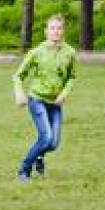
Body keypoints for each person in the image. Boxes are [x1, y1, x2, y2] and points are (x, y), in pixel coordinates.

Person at [12, 14, 78, 182]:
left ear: (63, 31)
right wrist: (19, 93)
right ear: (46, 31)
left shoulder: (70, 53)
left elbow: (72, 77)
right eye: (52, 28)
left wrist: (64, 94)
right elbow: (18, 76)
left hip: (55, 103)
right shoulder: (36, 52)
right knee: (46, 137)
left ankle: (39, 156)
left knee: (53, 143)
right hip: (37, 100)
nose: (56, 31)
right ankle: (24, 169)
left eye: (59, 28)